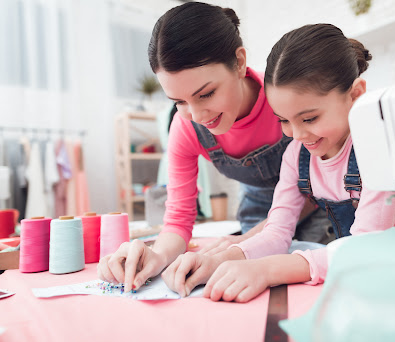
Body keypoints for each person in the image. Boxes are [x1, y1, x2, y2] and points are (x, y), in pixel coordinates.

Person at [164, 23, 395, 301]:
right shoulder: (297, 155)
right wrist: (219, 261)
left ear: (355, 95)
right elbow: (277, 232)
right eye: (283, 120)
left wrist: (267, 270)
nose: (297, 135)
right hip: (356, 277)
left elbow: (365, 247)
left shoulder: (377, 151)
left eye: (309, 119)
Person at [97, 2, 325, 291]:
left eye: (205, 94)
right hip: (258, 213)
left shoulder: (282, 97)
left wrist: (243, 244)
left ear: (240, 62)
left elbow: (315, 186)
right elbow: (179, 217)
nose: (197, 116)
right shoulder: (185, 127)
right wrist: (156, 255)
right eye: (178, 102)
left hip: (318, 205)